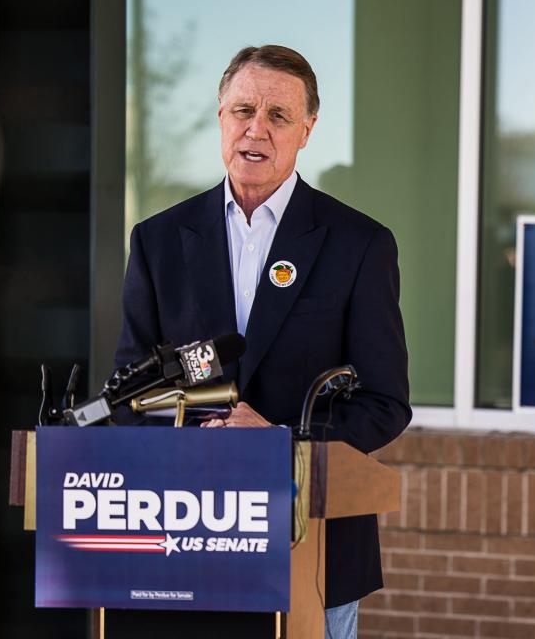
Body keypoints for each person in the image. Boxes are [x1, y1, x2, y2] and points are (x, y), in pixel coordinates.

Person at [114, 45, 411, 638]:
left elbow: (384, 404)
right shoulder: (158, 241)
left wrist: (279, 441)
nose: (257, 129)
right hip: (186, 544)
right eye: (242, 110)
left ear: (308, 128)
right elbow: (130, 395)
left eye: (278, 115)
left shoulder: (359, 244)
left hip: (313, 552)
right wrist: (201, 436)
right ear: (220, 117)